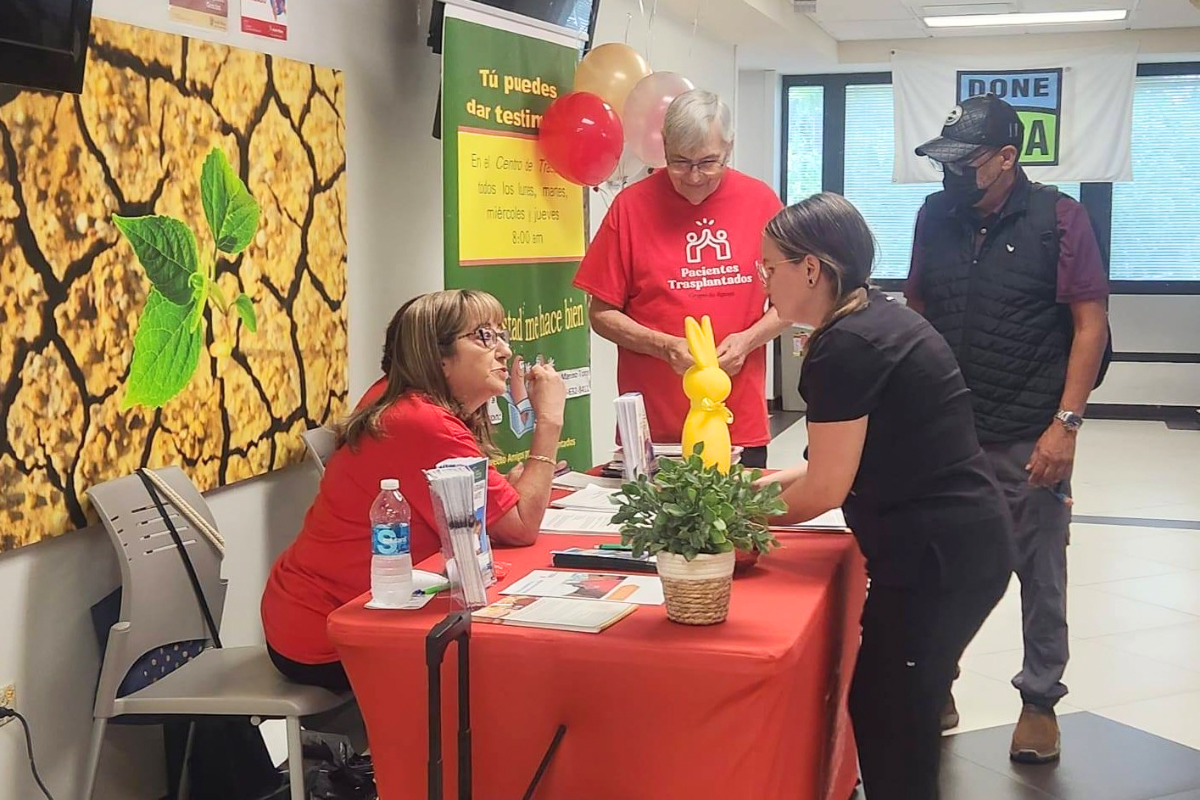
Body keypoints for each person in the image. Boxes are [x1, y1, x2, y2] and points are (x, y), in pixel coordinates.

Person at [759, 193, 1015, 800]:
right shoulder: (872, 318)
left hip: (939, 558)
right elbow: (831, 466)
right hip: (960, 544)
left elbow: (825, 488)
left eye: (769, 267)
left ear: (811, 269)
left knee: (892, 718)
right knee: (890, 707)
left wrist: (728, 521)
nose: (761, 280)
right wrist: (752, 489)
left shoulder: (847, 346)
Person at [908, 94, 1110, 762]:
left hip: (1030, 432)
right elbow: (917, 306)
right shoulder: (934, 215)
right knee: (938, 569)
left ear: (1006, 157)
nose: (953, 174)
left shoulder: (1060, 218)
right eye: (945, 162)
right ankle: (937, 682)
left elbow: (1090, 326)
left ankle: (1039, 702)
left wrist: (1066, 425)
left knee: (1040, 574)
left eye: (965, 162)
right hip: (947, 433)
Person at [261, 289, 567, 691]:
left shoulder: (397, 397)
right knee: (518, 665)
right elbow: (520, 525)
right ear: (438, 357)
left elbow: (489, 517)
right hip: (325, 633)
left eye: (501, 334)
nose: (505, 350)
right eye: (484, 336)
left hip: (326, 608)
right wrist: (549, 421)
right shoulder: (421, 421)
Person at [573, 89, 786, 469]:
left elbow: (792, 303)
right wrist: (663, 346)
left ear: (729, 147)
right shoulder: (630, 207)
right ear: (664, 148)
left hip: (737, 426)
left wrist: (748, 340)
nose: (694, 177)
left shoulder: (761, 202)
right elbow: (601, 313)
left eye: (708, 162)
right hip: (654, 433)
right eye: (680, 163)